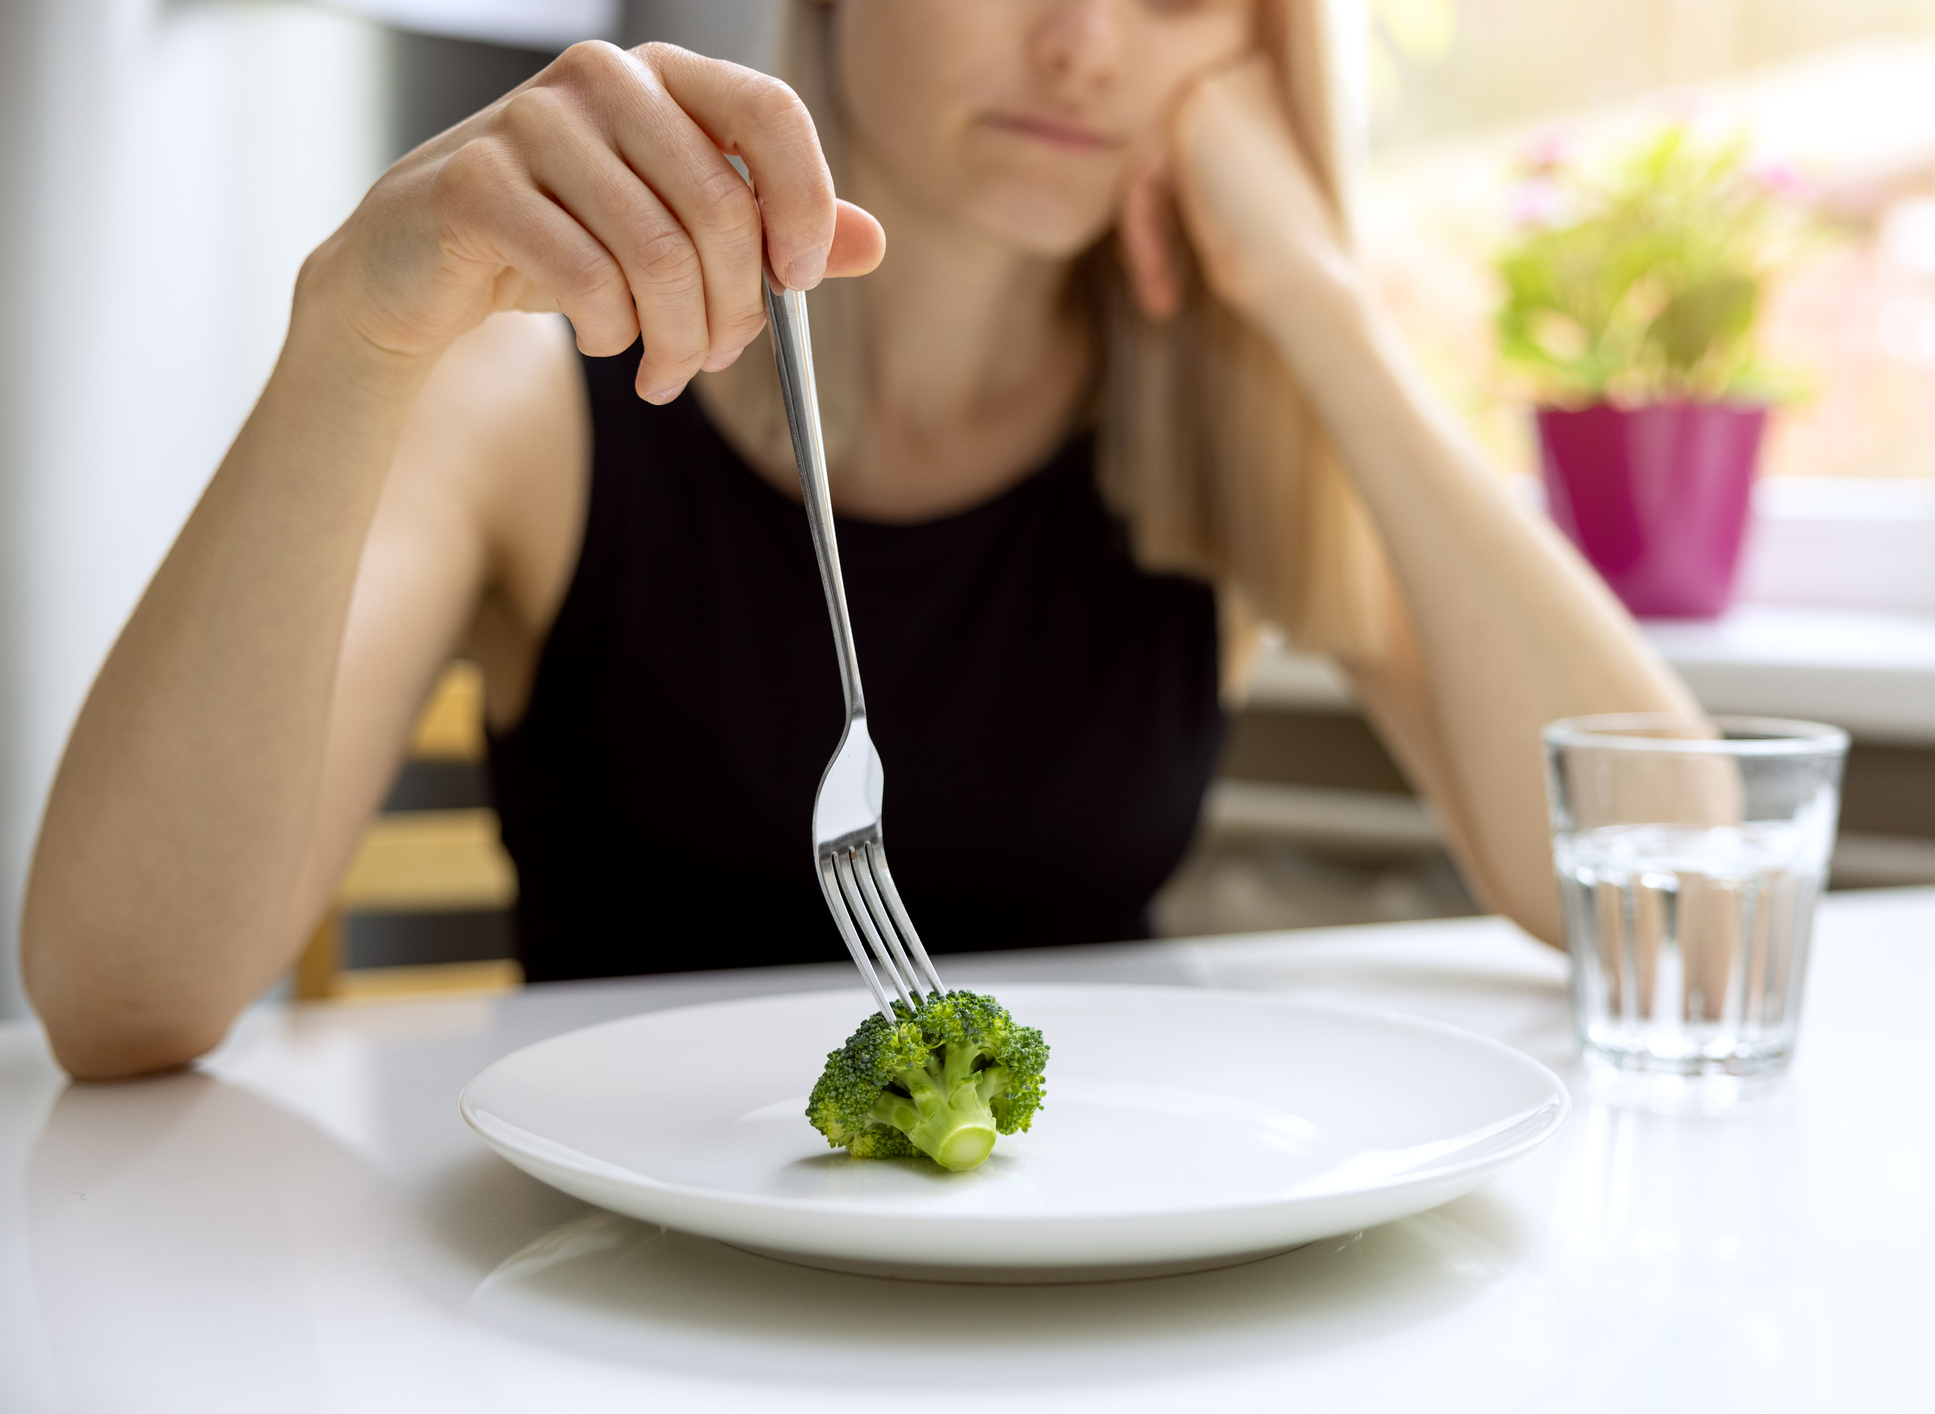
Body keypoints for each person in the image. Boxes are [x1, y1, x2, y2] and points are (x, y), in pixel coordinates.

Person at [22, 0, 1695, 1079]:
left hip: (1099, 1291)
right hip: (605, 1305)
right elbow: (117, 998)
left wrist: (1320, 301)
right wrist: (354, 337)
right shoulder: (539, 406)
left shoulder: (1222, 440)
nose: (1087, 46)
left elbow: (1676, 888)